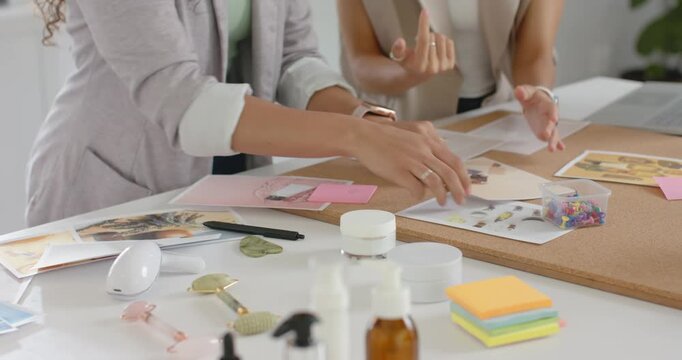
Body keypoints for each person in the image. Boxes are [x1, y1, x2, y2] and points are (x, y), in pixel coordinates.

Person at [26, 0, 471, 226]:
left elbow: (295, 61)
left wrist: (364, 120)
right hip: (112, 186)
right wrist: (355, 138)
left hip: (233, 176)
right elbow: (181, 98)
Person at [338, 0, 565, 151]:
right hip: (403, 123)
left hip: (494, 117)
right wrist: (408, 73)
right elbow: (360, 61)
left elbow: (536, 50)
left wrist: (538, 92)